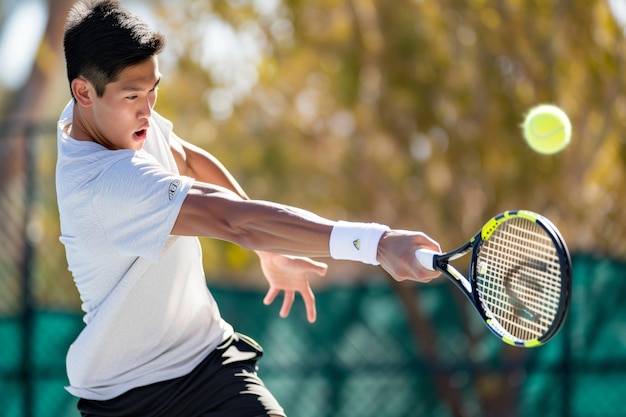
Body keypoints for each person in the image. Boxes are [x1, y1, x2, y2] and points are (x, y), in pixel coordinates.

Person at [56, 1, 441, 416]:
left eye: (153, 91)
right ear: (83, 92)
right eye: (134, 95)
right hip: (128, 399)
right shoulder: (107, 183)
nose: (148, 110)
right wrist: (376, 243)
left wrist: (268, 249)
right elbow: (232, 221)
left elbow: (185, 158)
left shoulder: (109, 118)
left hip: (209, 365)